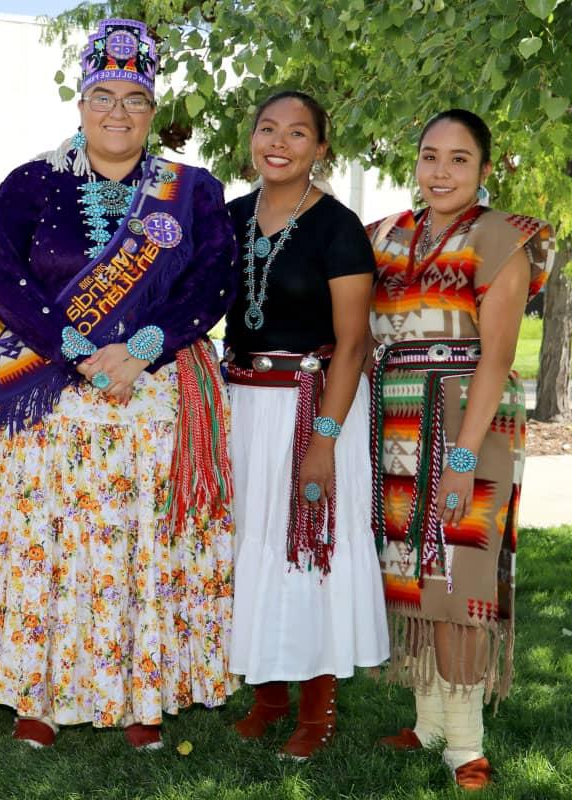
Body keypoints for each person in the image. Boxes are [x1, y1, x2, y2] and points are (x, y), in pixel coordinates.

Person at [0, 18, 239, 751]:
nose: (118, 112)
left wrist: (141, 347)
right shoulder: (32, 182)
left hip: (151, 394)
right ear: (80, 103)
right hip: (48, 398)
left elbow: (214, 279)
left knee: (141, 545)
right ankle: (38, 698)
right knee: (48, 545)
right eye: (103, 95)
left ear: (153, 108)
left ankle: (143, 694)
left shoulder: (192, 191)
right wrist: (79, 349)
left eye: (134, 98)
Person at [367, 109, 556, 789]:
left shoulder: (501, 235)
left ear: (483, 168)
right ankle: (429, 722)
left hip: (468, 418)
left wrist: (464, 456)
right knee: (413, 575)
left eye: (457, 159)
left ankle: (465, 745)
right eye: (429, 156)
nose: (440, 172)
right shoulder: (387, 237)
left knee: (460, 581)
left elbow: (497, 354)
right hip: (396, 423)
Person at [223, 91, 388, 761]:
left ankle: (316, 707)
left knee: (308, 547)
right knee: (250, 541)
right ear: (252, 138)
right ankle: (265, 696)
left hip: (313, 405)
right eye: (267, 128)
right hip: (243, 403)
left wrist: (323, 441)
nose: (279, 141)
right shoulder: (227, 218)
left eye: (298, 133)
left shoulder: (337, 226)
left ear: (321, 148)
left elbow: (352, 344)